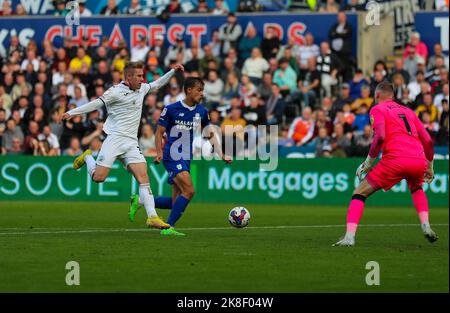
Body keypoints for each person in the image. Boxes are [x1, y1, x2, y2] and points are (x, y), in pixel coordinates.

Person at [62, 61, 185, 230]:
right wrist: (71, 112)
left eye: (143, 75)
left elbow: (157, 84)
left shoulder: (142, 89)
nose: (143, 79)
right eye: (140, 76)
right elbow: (96, 104)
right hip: (114, 139)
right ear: (129, 77)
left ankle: (152, 217)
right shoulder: (115, 92)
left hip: (131, 142)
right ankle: (88, 156)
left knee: (143, 177)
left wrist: (173, 71)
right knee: (99, 178)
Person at [334, 81, 438, 246]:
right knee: (417, 187)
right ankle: (426, 226)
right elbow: (427, 140)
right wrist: (429, 166)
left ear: (376, 95)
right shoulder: (409, 111)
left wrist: (368, 163)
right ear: (393, 96)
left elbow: (380, 136)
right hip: (418, 159)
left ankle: (349, 237)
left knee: (359, 193)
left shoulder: (377, 109)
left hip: (395, 159)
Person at [130, 77, 232, 236]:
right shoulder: (171, 109)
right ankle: (168, 227)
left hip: (186, 157)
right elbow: (159, 132)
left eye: (203, 90)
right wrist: (159, 153)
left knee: (174, 202)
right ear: (189, 90)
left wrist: (221, 154)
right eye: (199, 90)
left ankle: (141, 200)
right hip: (172, 155)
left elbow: (210, 134)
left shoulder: (202, 112)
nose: (202, 94)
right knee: (190, 191)